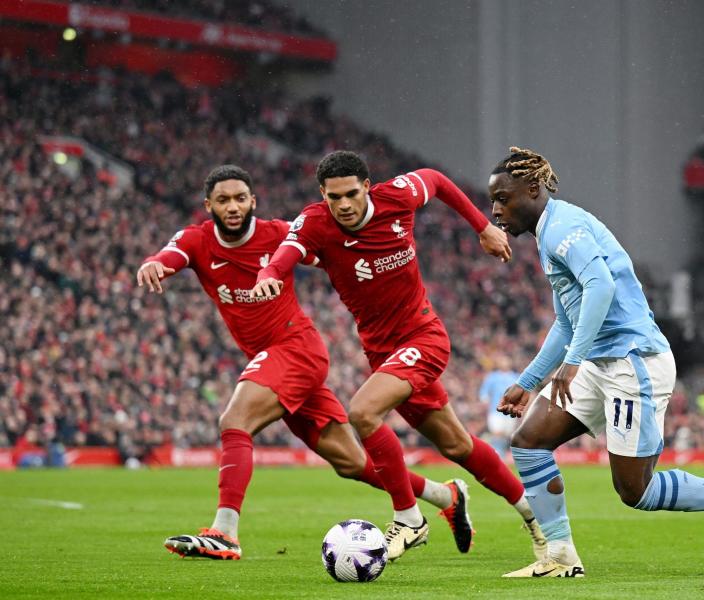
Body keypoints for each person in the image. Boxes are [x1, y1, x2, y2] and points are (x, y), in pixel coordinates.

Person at [137, 165, 461, 560]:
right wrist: (154, 263)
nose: (233, 207)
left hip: (295, 348)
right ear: (209, 206)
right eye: (223, 200)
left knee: (234, 421)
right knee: (352, 463)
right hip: (275, 360)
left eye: (241, 198)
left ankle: (224, 531)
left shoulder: (278, 233)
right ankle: (443, 494)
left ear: (253, 200)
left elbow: (329, 248)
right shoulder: (197, 240)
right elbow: (170, 255)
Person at [491, 147, 704, 578]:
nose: (495, 210)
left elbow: (600, 286)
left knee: (635, 491)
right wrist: (530, 380)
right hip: (599, 363)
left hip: (632, 363)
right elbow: (566, 323)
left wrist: (572, 363)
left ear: (532, 190)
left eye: (502, 199)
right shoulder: (550, 233)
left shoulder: (562, 228)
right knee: (529, 442)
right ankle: (560, 557)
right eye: (492, 201)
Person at [252, 151, 546, 562]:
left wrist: (482, 227)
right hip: (382, 353)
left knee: (363, 412)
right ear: (324, 194)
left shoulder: (399, 196)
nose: (345, 205)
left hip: (424, 337)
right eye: (334, 197)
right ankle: (534, 516)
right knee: (458, 445)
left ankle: (409, 519)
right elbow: (285, 253)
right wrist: (268, 275)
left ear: (367, 187)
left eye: (352, 194)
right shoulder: (315, 222)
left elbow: (437, 179)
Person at [479, 354, 521, 456]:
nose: (504, 363)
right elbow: (484, 392)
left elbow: (521, 392)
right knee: (497, 432)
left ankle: (502, 454)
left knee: (507, 433)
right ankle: (497, 454)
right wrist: (484, 401)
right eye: (502, 361)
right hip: (496, 409)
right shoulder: (493, 377)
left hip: (511, 410)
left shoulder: (515, 377)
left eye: (506, 361)